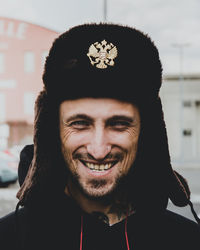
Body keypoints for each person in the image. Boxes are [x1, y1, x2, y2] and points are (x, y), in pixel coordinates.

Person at [0, 23, 199, 250]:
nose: (98, 149)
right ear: (53, 131)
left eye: (119, 124)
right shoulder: (10, 240)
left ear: (145, 132)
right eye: (80, 124)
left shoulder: (188, 240)